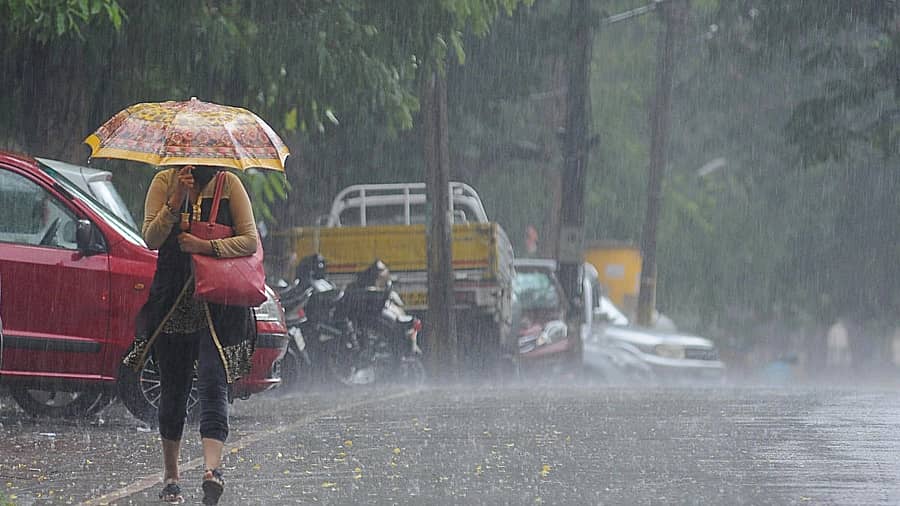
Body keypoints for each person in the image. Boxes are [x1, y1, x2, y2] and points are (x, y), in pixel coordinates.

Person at [122, 165, 258, 505]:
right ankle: (171, 477)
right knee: (174, 392)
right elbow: (150, 239)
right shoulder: (164, 181)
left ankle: (213, 471)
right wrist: (174, 202)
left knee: (214, 384)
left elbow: (250, 240)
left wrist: (204, 245)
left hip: (218, 308)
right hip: (172, 306)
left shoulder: (229, 185)